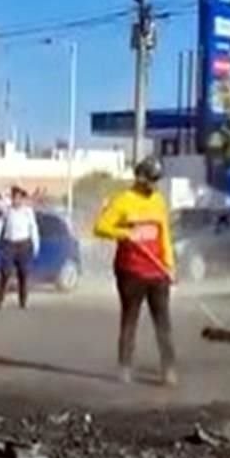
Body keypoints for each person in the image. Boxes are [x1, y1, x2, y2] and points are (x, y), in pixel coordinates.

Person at [93, 156, 177, 386]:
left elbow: (165, 236)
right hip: (131, 271)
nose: (154, 185)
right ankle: (125, 367)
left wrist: (170, 265)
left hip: (157, 272)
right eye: (151, 180)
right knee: (130, 320)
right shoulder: (123, 201)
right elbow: (100, 227)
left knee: (163, 323)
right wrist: (125, 234)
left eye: (157, 180)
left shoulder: (159, 201)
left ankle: (168, 369)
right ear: (140, 178)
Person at [0, 186, 40, 309]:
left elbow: (33, 228)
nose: (16, 200)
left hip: (24, 244)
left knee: (23, 273)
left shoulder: (27, 211)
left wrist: (36, 245)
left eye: (18, 198)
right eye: (14, 198)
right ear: (12, 198)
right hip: (9, 244)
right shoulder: (7, 211)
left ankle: (23, 301)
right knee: (5, 273)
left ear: (22, 199)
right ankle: (0, 299)